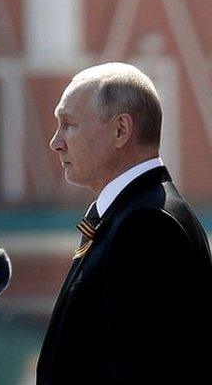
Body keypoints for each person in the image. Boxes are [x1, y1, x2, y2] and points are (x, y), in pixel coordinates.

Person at [36, 63, 212, 384]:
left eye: (69, 124)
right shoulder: (131, 214)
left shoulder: (146, 225)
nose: (56, 142)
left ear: (120, 130)